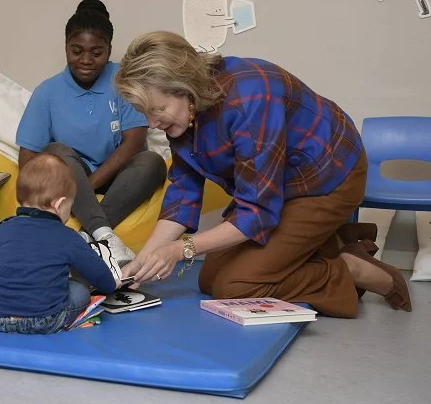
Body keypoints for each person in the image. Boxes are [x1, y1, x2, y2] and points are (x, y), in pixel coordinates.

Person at [114, 30, 411, 317]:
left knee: (235, 285)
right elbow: (184, 192)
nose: (152, 123)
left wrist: (181, 249)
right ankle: (324, 243)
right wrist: (144, 262)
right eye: (146, 113)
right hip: (275, 185)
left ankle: (350, 268)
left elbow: (256, 213)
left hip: (328, 176)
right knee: (210, 279)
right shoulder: (183, 115)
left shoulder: (248, 98)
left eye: (158, 109)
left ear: (184, 87)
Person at [16, 0, 167, 267]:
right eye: (76, 51)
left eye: (96, 52)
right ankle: (104, 236)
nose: (86, 60)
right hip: (74, 175)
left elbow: (134, 141)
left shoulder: (124, 80)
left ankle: (87, 235)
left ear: (109, 50)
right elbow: (28, 158)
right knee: (54, 152)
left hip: (117, 177)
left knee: (153, 161)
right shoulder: (47, 92)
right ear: (65, 48)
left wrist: (87, 188)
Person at [0, 153, 119, 334]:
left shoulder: (2, 228)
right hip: (43, 320)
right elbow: (100, 276)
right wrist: (112, 284)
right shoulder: (66, 236)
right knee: (78, 290)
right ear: (60, 204)